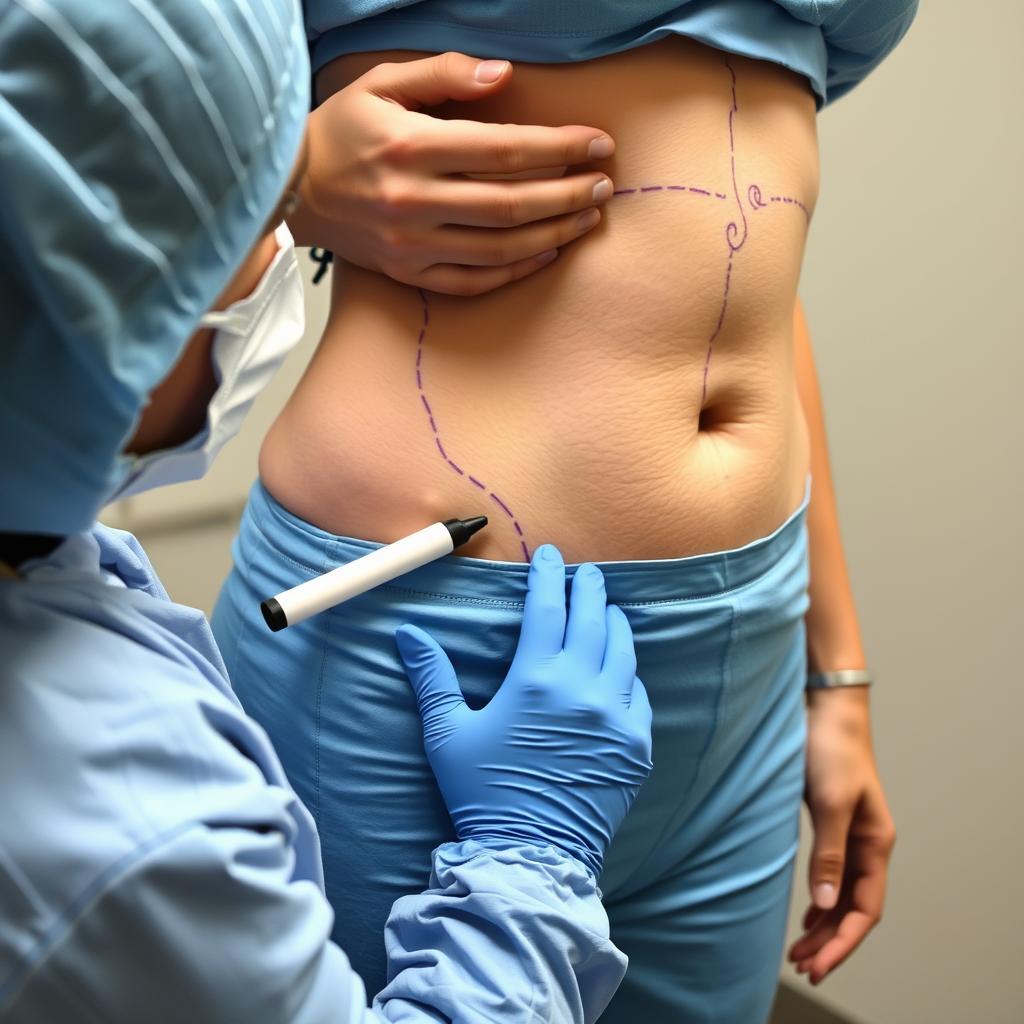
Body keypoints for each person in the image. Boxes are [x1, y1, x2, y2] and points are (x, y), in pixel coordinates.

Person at [213, 2, 914, 1021]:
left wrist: (834, 674)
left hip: (746, 648)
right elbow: (80, 129)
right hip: (424, 644)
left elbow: (745, 281)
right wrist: (283, 181)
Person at [0, 3, 654, 1020]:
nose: (285, 252)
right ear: (109, 331)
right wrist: (531, 856)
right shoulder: (126, 842)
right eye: (266, 221)